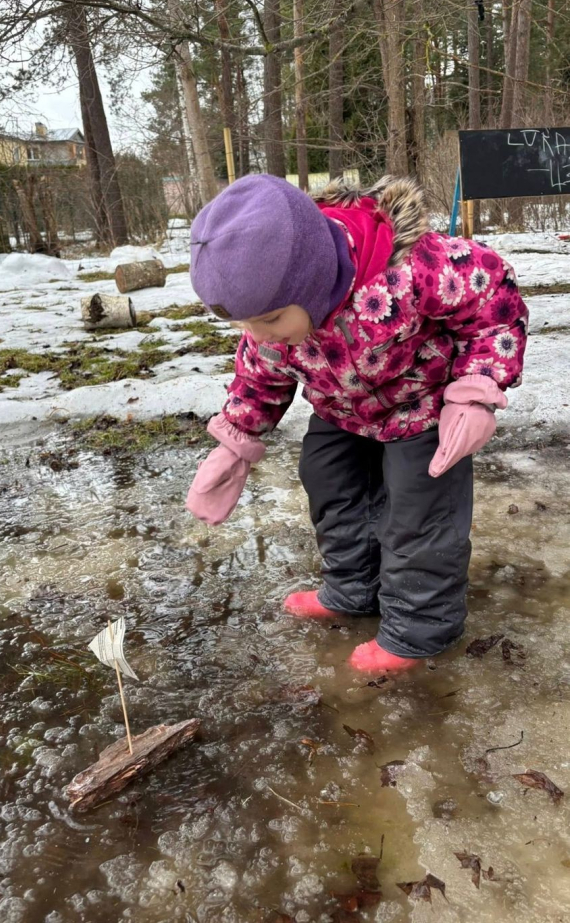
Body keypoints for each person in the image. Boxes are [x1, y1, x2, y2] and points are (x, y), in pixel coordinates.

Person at [185, 174, 527, 675]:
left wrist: (476, 391)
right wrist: (236, 442)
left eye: (272, 319)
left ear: (315, 275)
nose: (260, 335)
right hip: (341, 409)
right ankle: (353, 589)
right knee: (329, 483)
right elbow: (260, 374)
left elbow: (492, 301)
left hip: (423, 408)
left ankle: (418, 630)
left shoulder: (412, 269)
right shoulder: (269, 326)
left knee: (419, 513)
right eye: (243, 324)